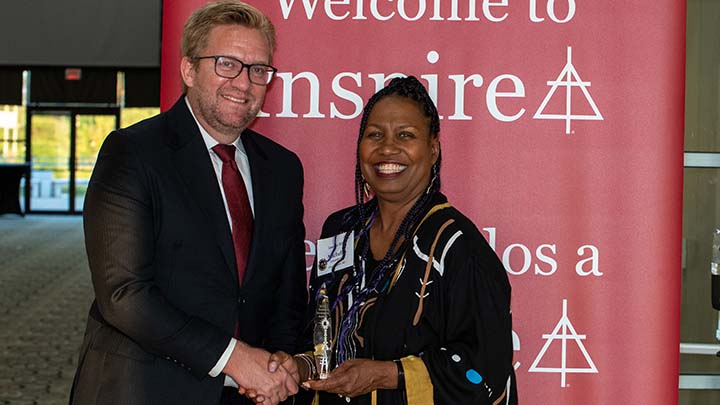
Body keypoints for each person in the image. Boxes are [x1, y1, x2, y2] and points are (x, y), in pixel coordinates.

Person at [69, 1, 306, 404]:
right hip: (143, 389)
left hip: (249, 394)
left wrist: (281, 364)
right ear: (189, 70)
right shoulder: (133, 153)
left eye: (258, 70)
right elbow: (125, 295)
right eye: (227, 64)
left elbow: (286, 293)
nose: (244, 83)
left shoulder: (282, 169)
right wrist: (234, 359)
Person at [268, 76, 517, 404]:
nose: (387, 148)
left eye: (405, 135)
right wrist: (298, 366)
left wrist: (387, 374)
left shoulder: (458, 247)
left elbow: (486, 373)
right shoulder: (339, 231)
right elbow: (321, 334)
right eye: (374, 135)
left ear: (433, 148)